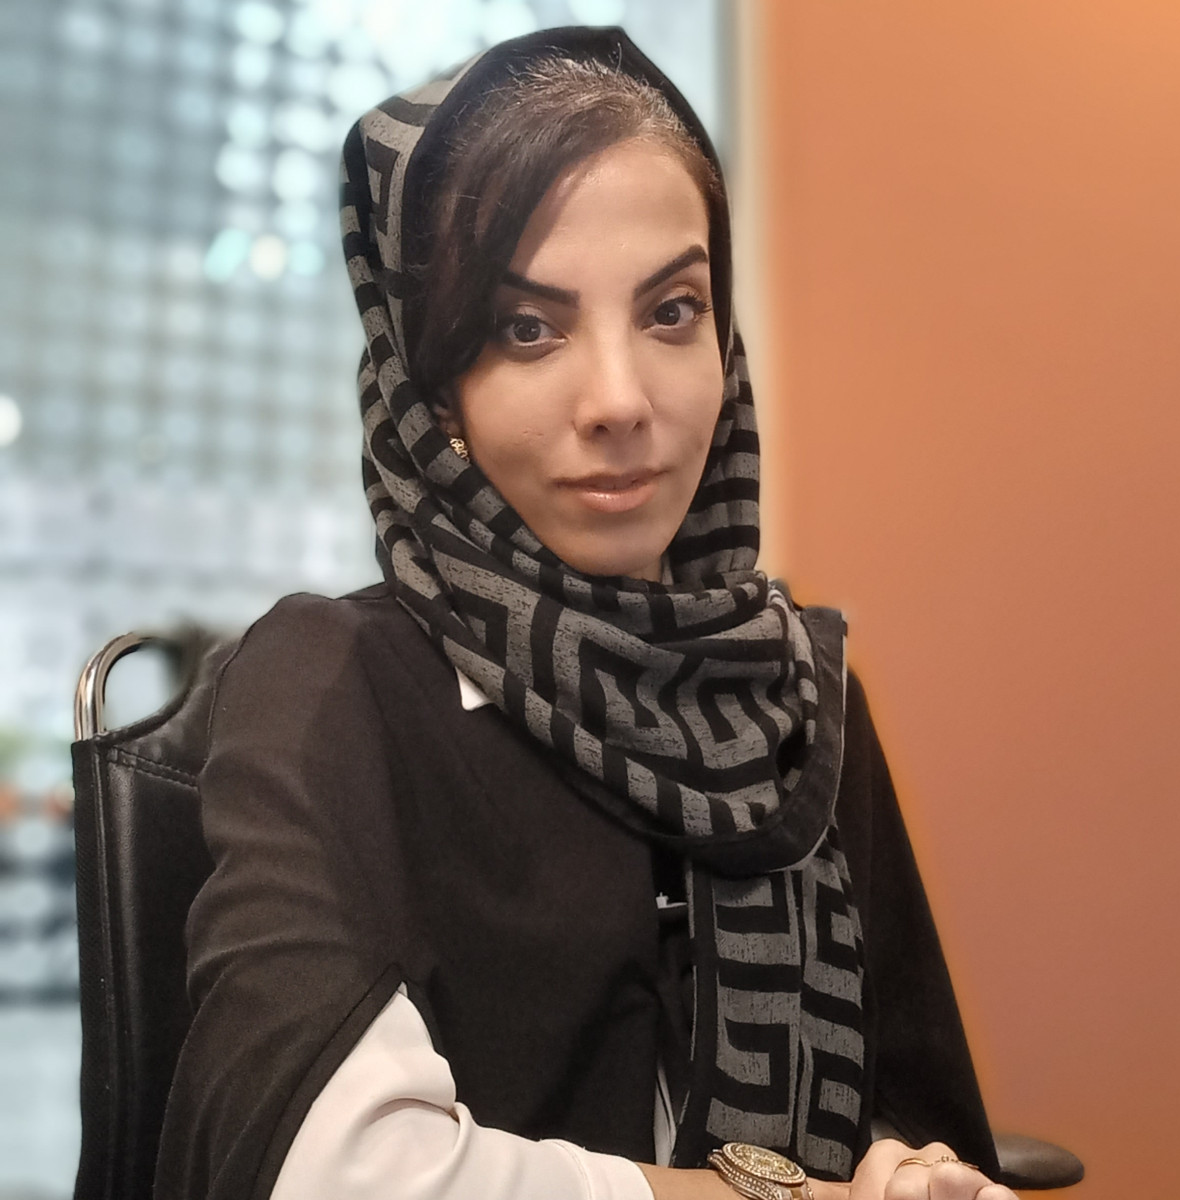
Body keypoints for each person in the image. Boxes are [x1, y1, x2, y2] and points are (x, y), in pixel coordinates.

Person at [156, 26, 1020, 1200]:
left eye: (672, 311)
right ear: (434, 391)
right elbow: (341, 1172)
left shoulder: (797, 700)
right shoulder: (329, 681)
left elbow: (909, 1110)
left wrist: (902, 1174)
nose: (619, 399)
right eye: (528, 328)